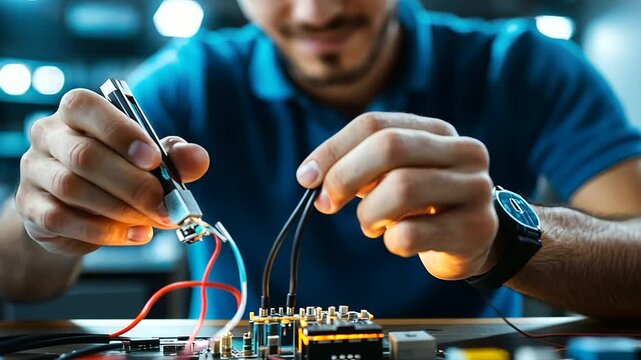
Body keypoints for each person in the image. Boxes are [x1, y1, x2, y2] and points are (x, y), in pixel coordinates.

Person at [3, 0, 641, 319]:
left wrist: (505, 239)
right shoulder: (189, 81)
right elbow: (17, 275)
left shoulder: (525, 68)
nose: (317, 12)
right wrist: (44, 219)